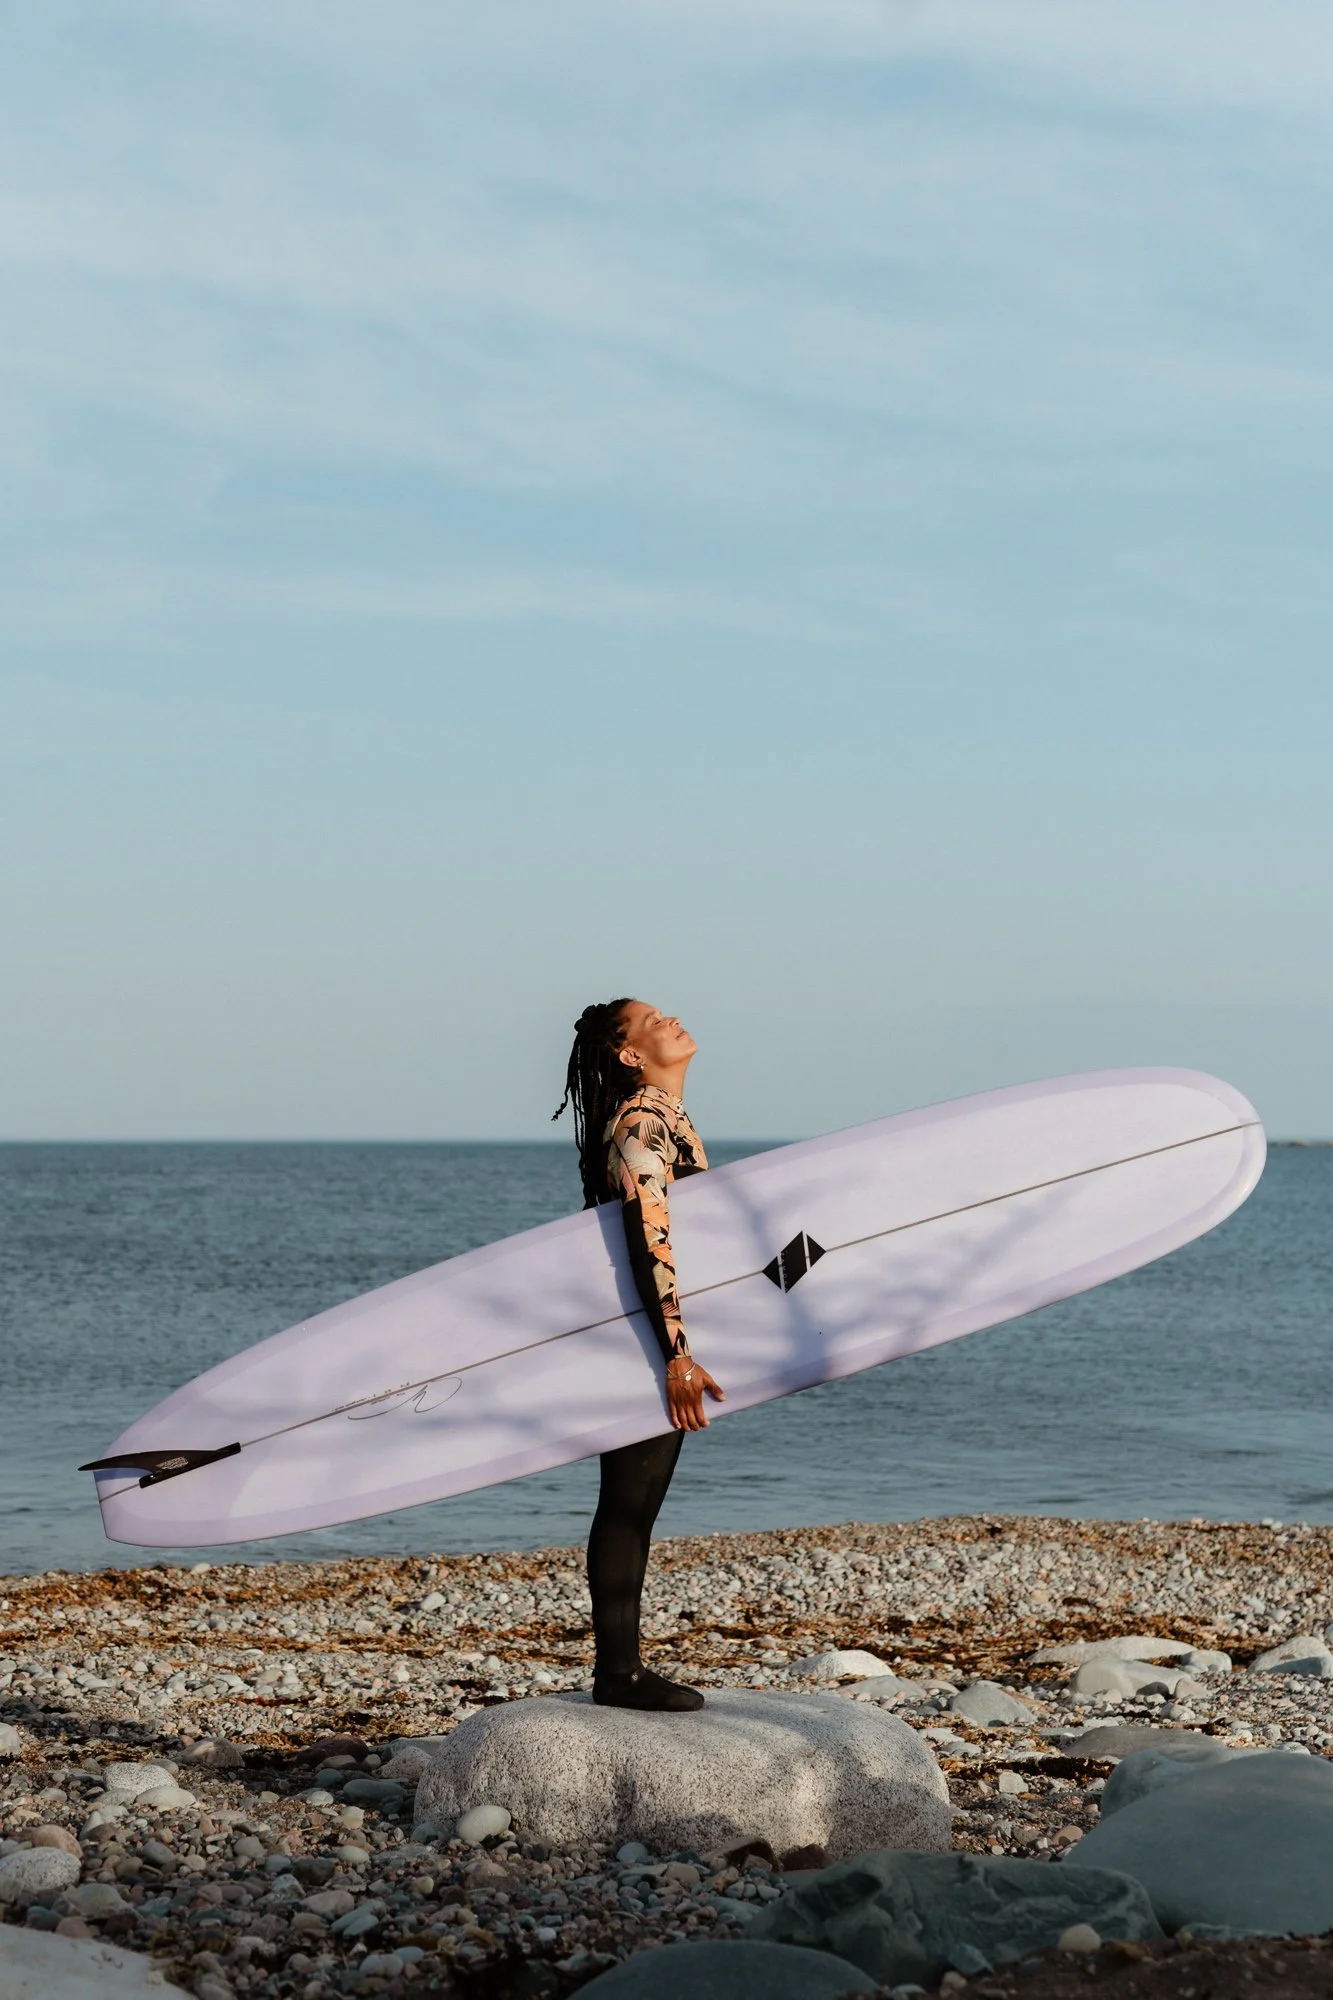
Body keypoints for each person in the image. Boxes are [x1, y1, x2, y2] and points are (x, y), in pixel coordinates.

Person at [552, 999, 725, 1711]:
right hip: (641, 1344)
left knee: (635, 1507)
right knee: (626, 1507)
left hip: (645, 1338)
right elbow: (648, 1237)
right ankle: (616, 1675)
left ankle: (619, 1669)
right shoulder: (642, 1123)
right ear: (629, 1054)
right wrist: (675, 1355)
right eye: (652, 1018)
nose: (672, 1019)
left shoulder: (660, 1118)